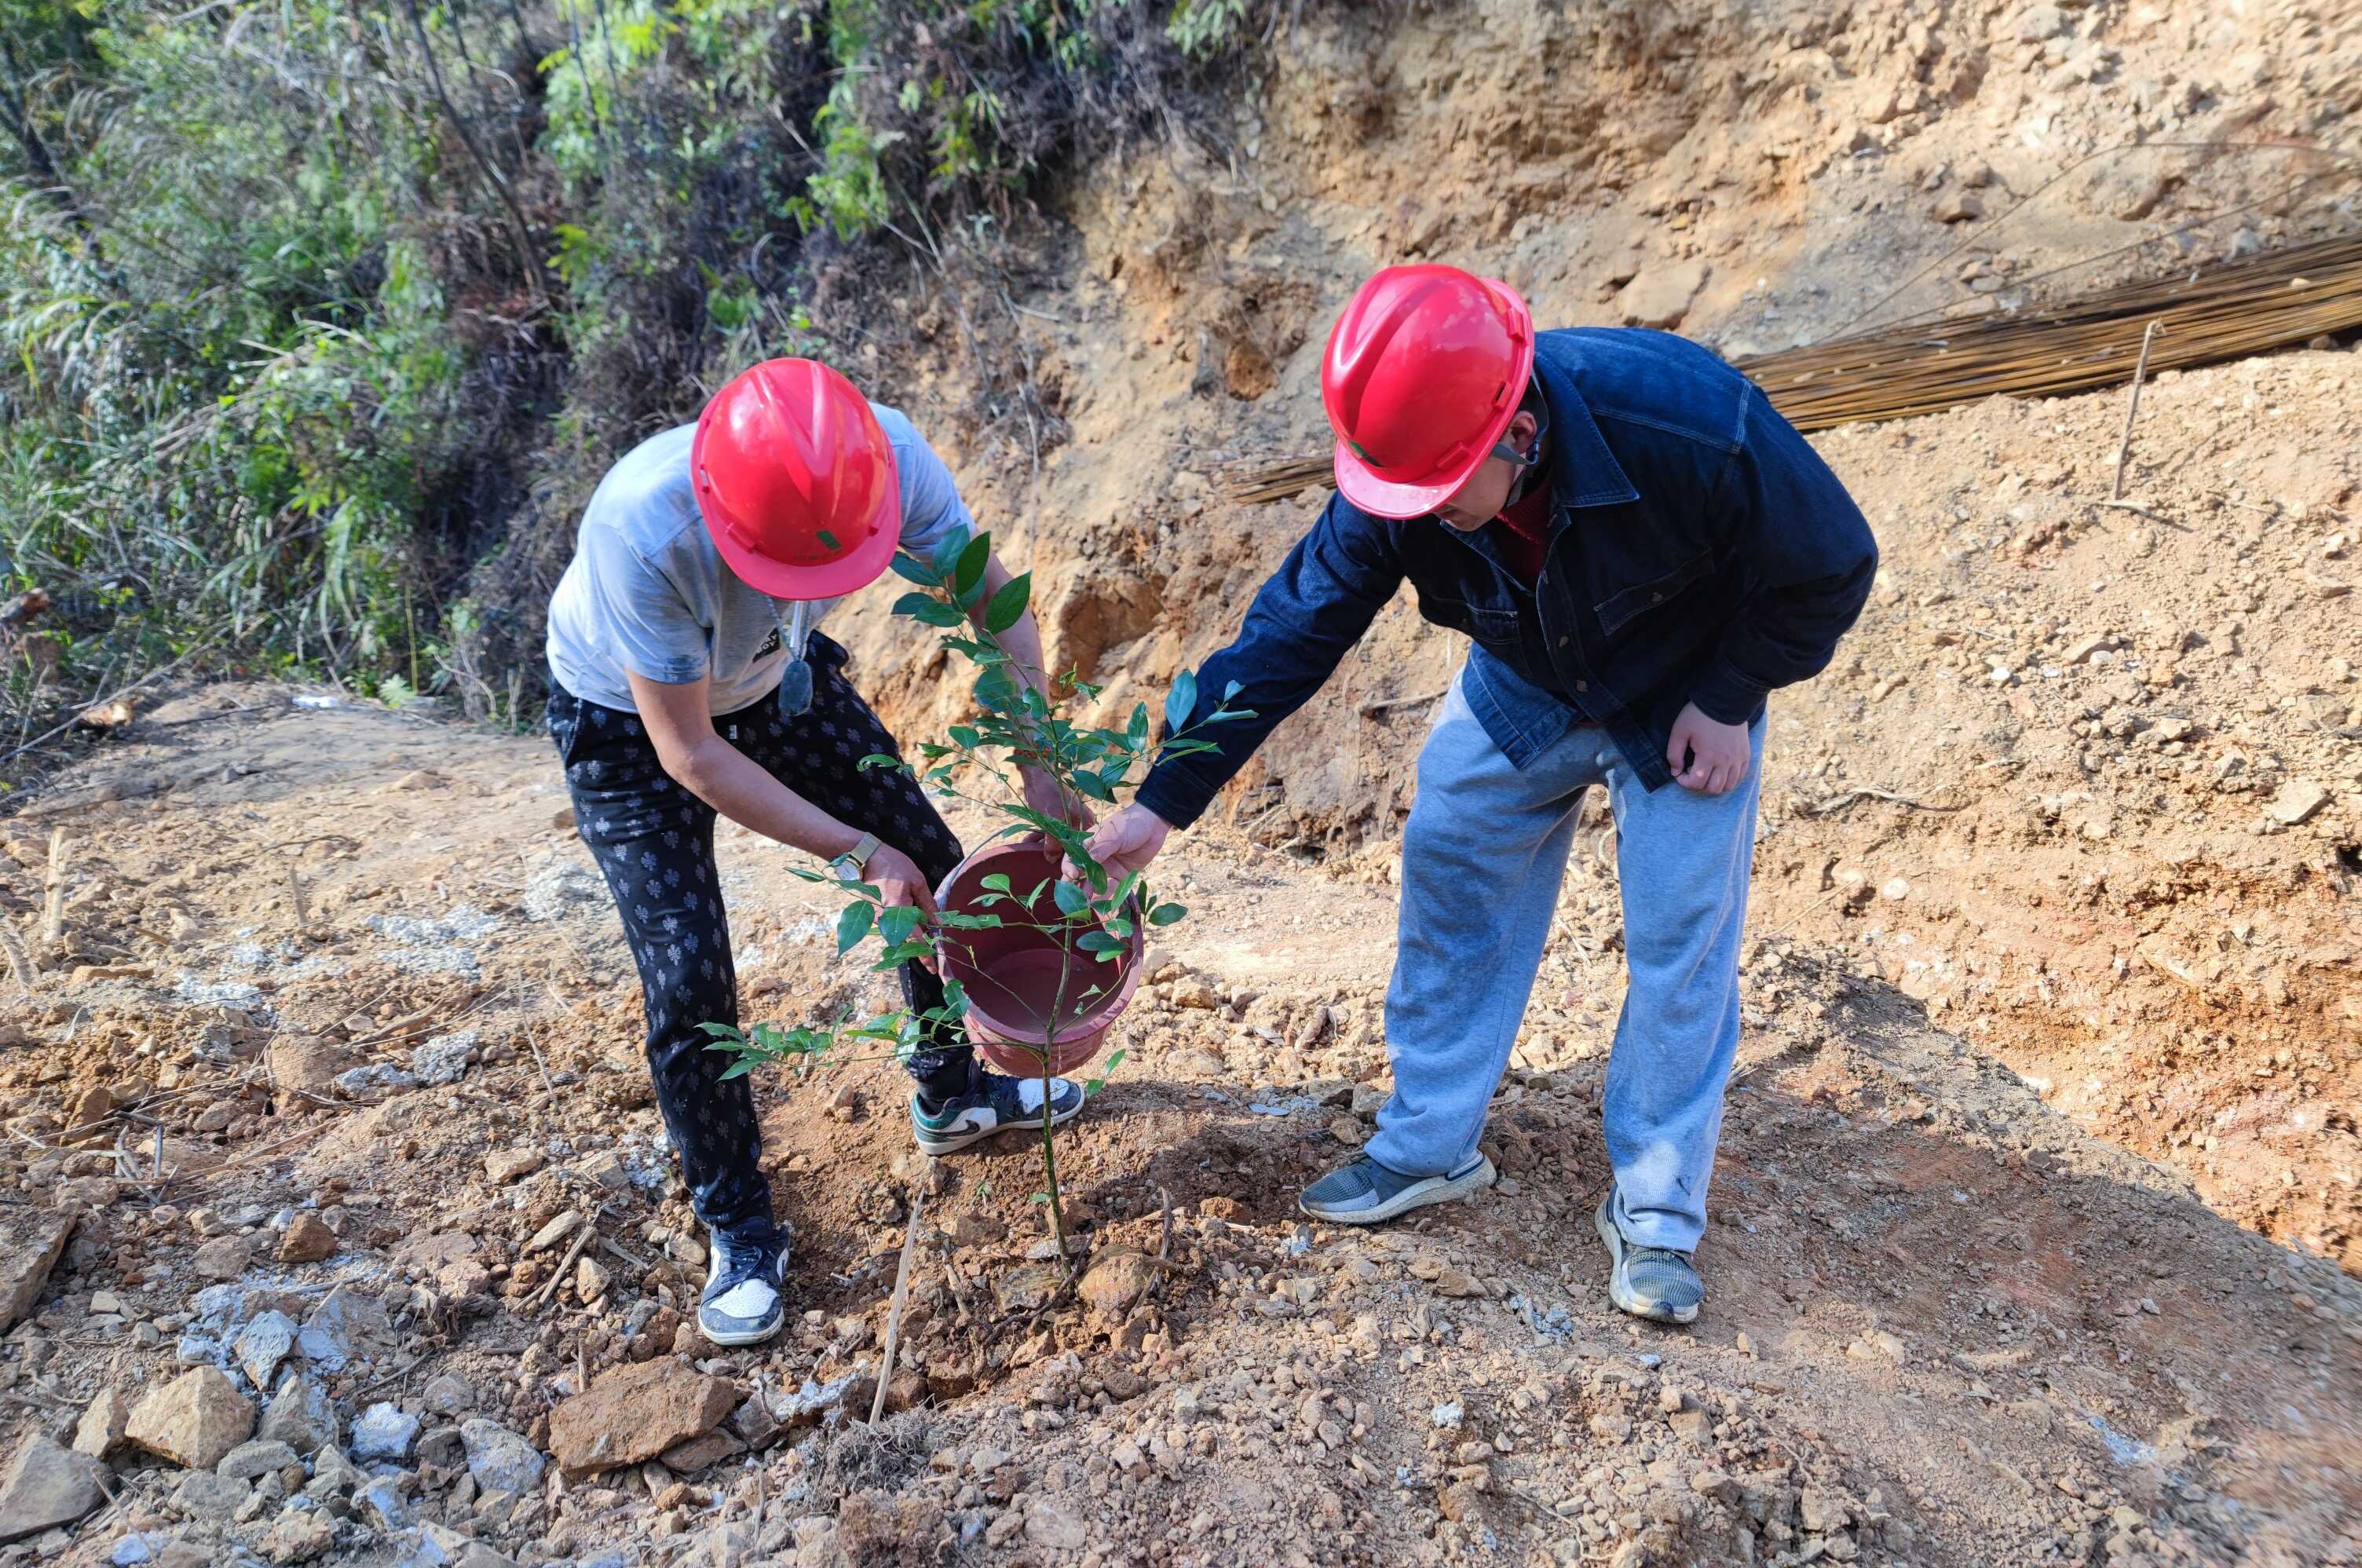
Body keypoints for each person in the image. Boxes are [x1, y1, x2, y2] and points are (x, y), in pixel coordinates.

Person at [1082, 265, 1877, 1325]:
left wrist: (1730, 697)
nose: (1418, 516)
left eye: (1437, 494)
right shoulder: (1403, 471)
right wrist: (1161, 803)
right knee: (1449, 865)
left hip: (1681, 699)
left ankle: (1656, 1212)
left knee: (1681, 938)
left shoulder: (1686, 421)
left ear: (1520, 434)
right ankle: (1428, 1145)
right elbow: (1294, 626)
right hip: (1523, 682)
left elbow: (1833, 563)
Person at [544, 357, 1087, 1347]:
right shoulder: (643, 530)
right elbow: (689, 753)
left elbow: (994, 606)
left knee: (937, 866)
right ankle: (739, 1227)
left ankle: (953, 1091)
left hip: (777, 679)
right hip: (628, 721)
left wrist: (1039, 761)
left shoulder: (888, 460)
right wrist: (856, 852)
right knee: (688, 981)